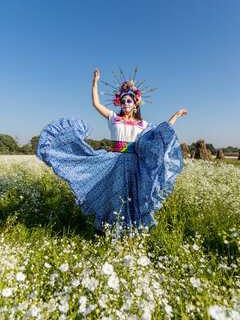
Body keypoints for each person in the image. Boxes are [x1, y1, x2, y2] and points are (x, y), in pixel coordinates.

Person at [36, 68, 188, 237]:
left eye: (129, 101)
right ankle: (107, 230)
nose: (126, 104)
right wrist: (95, 82)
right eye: (123, 101)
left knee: (131, 197)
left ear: (136, 103)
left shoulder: (143, 125)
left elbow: (160, 133)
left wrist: (175, 116)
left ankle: (129, 232)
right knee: (112, 196)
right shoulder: (113, 118)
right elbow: (96, 104)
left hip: (133, 165)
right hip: (113, 162)